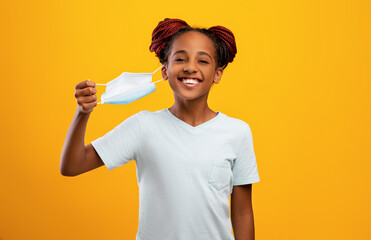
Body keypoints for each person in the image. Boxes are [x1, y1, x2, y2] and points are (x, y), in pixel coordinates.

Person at [60, 18, 260, 240]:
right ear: (165, 71)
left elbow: (242, 213)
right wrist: (82, 113)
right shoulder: (143, 126)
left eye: (203, 61)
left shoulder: (237, 132)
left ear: (217, 74)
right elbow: (71, 165)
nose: (190, 67)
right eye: (180, 58)